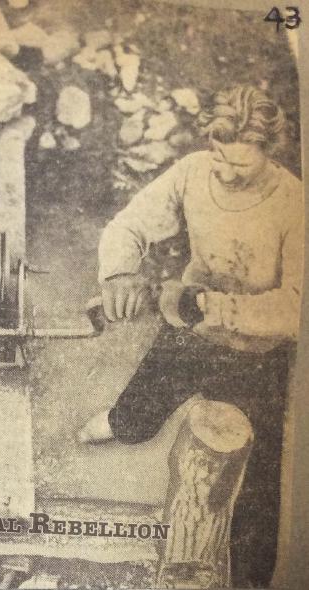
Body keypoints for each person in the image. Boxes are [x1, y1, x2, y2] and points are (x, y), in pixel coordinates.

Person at [79, 85, 302, 587]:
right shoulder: (193, 171)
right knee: (134, 416)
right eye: (219, 156)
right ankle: (123, 423)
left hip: (258, 353)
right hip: (192, 330)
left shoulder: (294, 203)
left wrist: (212, 306)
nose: (224, 172)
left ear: (271, 153)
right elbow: (129, 225)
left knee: (255, 493)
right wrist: (118, 273)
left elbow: (295, 308)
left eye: (241, 166)